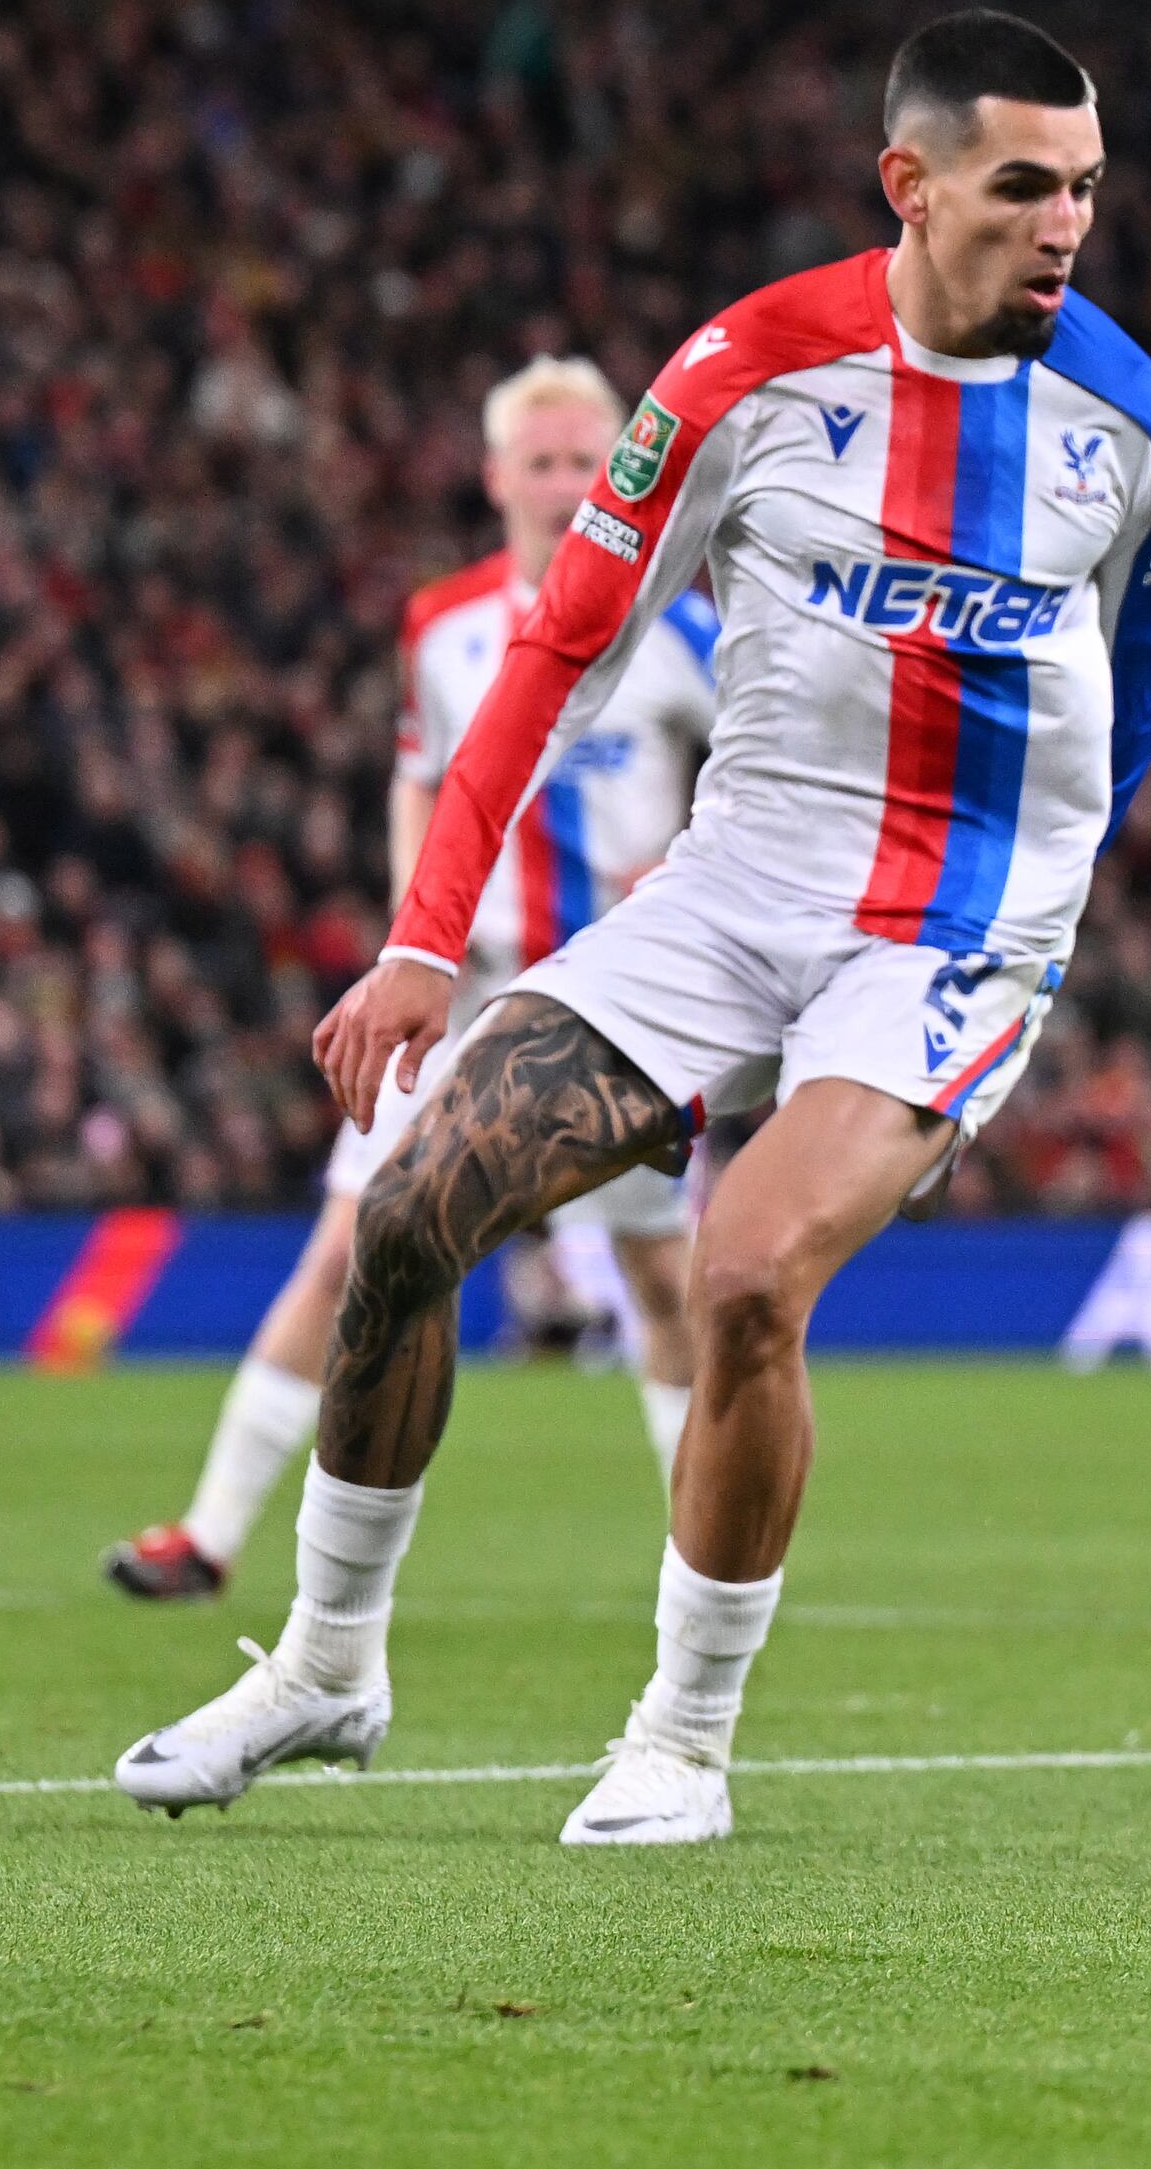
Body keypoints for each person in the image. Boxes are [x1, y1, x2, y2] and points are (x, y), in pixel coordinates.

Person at [114, 9, 1151, 1844]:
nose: (1067, 225)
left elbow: (1145, 675)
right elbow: (558, 655)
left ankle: (683, 1739)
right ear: (911, 186)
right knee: (408, 1210)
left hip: (946, 931)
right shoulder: (741, 374)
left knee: (747, 1276)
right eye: (1026, 186)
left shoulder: (1133, 425)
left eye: (1087, 188)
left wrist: (1047, 890)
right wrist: (418, 939)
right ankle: (322, 1666)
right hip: (733, 891)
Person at [104, 360, 718, 1603]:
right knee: (346, 1247)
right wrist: (414, 936)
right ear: (495, 478)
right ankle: (211, 1534)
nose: (563, 486)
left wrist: (684, 875)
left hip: (618, 1004)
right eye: (539, 463)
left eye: (585, 460)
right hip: (462, 995)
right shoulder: (445, 627)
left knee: (667, 1281)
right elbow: (418, 777)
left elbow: (749, 777)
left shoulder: (693, 627)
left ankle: (702, 1548)